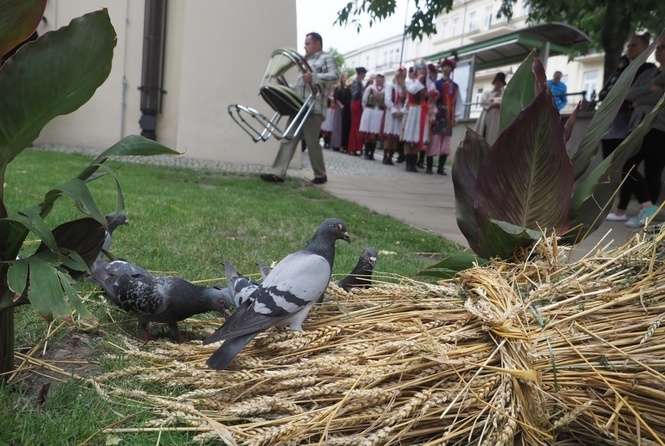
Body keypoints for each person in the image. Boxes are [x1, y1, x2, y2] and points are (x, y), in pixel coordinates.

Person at [261, 32, 338, 185]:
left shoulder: (326, 58)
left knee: (311, 141)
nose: (305, 46)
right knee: (288, 137)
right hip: (298, 106)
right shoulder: (304, 62)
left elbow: (335, 76)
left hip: (314, 107)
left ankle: (320, 175)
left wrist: (315, 77)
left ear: (317, 44)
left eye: (307, 43)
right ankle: (278, 173)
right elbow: (300, 87)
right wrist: (285, 86)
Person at [603, 33, 658, 224]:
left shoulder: (649, 70)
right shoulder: (623, 68)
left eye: (634, 45)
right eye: (628, 46)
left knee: (628, 166)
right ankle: (621, 210)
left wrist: (626, 96)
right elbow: (609, 93)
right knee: (623, 168)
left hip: (631, 126)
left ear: (646, 47)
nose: (629, 49)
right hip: (614, 125)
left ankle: (646, 207)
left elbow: (637, 95)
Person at [617, 35, 665, 228]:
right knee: (628, 164)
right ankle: (648, 208)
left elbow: (645, 96)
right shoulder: (652, 72)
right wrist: (649, 90)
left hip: (660, 126)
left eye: (664, 47)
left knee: (654, 171)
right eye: (659, 47)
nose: (659, 50)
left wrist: (644, 94)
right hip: (641, 125)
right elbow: (631, 93)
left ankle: (648, 215)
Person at [428, 58, 463, 175]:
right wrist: (432, 113)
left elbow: (458, 102)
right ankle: (429, 167)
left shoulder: (455, 86)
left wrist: (456, 116)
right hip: (437, 114)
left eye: (449, 67)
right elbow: (431, 101)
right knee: (435, 140)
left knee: (446, 142)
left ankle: (440, 168)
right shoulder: (436, 84)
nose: (446, 68)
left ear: (451, 69)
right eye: (444, 66)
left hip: (448, 116)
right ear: (442, 69)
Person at [401, 65, 429, 172]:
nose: (422, 72)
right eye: (420, 70)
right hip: (412, 111)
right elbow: (412, 91)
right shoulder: (410, 82)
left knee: (418, 137)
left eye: (424, 70)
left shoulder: (427, 83)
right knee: (409, 137)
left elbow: (431, 94)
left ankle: (413, 163)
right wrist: (418, 80)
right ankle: (408, 163)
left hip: (422, 112)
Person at [359, 73, 386, 160]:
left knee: (375, 134)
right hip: (370, 111)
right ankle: (367, 152)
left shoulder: (385, 90)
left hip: (379, 113)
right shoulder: (370, 88)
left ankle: (372, 153)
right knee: (369, 132)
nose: (379, 80)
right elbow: (364, 100)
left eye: (381, 79)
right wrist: (366, 110)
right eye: (378, 78)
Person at [383, 67, 406, 165]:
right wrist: (394, 110)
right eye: (399, 75)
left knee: (396, 136)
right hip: (391, 113)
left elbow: (406, 101)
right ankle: (385, 156)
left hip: (399, 113)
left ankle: (391, 156)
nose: (401, 77)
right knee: (389, 135)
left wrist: (401, 111)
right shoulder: (389, 85)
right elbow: (387, 100)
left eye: (403, 76)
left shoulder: (403, 88)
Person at [475, 72, 506, 147]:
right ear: (494, 82)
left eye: (501, 82)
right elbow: (483, 103)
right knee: (485, 135)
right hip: (487, 117)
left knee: (496, 136)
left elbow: (506, 105)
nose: (499, 84)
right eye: (497, 81)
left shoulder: (505, 94)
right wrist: (493, 105)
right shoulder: (487, 93)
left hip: (498, 119)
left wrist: (498, 104)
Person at [348, 67, 367, 155]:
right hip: (356, 104)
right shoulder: (356, 82)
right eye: (364, 74)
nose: (364, 75)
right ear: (360, 74)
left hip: (357, 104)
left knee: (357, 126)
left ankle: (355, 148)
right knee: (355, 126)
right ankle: (353, 148)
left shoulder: (359, 82)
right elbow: (355, 94)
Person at [335, 73, 352, 152]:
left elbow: (350, 98)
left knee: (346, 127)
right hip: (341, 108)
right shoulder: (338, 88)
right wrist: (341, 105)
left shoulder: (348, 88)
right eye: (344, 78)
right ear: (341, 78)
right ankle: (338, 145)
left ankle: (344, 145)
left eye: (346, 77)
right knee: (340, 127)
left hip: (347, 109)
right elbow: (336, 98)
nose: (345, 79)